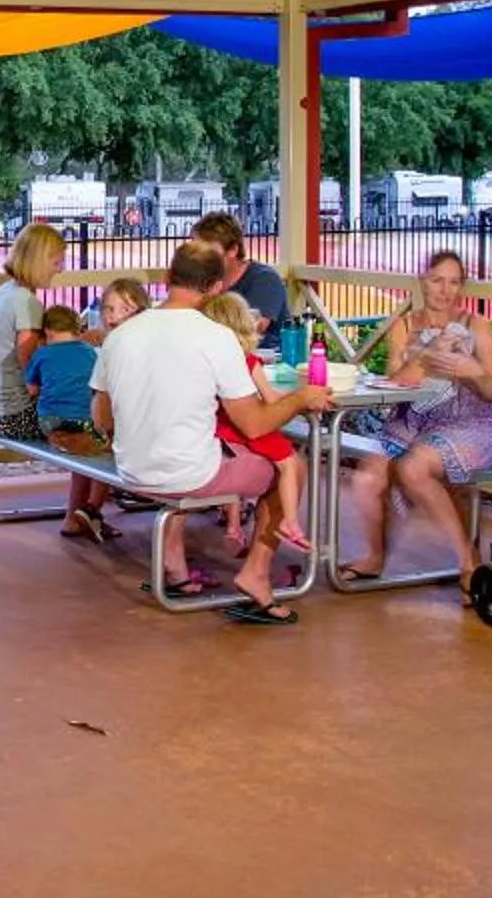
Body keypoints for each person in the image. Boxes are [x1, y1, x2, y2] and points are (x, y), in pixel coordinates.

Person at [93, 243, 333, 624]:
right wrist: (302, 397)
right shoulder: (215, 337)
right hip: (188, 473)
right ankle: (255, 574)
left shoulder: (120, 336)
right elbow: (254, 422)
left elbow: (102, 417)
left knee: (201, 449)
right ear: (216, 287)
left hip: (131, 469)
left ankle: (176, 565)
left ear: (168, 279)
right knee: (293, 466)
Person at [341, 250, 492, 592]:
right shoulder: (405, 325)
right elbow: (397, 380)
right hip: (414, 419)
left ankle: (468, 563)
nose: (445, 290)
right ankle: (374, 557)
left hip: (469, 421)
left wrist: (474, 372)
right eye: (437, 280)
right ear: (422, 280)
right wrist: (430, 353)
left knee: (413, 469)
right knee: (367, 479)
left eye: (454, 282)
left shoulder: (476, 325)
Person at [202, 292, 309, 553]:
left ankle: (234, 526)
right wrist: (297, 399)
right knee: (289, 465)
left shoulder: (208, 361)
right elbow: (271, 399)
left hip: (220, 427)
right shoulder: (249, 361)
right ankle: (291, 522)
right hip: (249, 426)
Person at [24, 302, 111, 540]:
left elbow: (31, 389)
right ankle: (92, 509)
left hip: (50, 422)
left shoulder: (42, 354)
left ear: (49, 332)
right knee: (107, 452)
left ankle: (75, 517)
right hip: (84, 422)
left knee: (84, 462)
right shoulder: (88, 352)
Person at [0, 222, 66, 448]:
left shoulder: (4, 292)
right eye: (56, 262)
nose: (60, 269)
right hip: (16, 416)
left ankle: (85, 484)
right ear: (39, 261)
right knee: (95, 418)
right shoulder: (27, 302)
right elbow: (29, 361)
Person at [191, 211, 289, 329]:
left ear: (232, 250)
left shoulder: (265, 279)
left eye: (208, 251)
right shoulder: (200, 280)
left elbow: (252, 328)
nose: (198, 257)